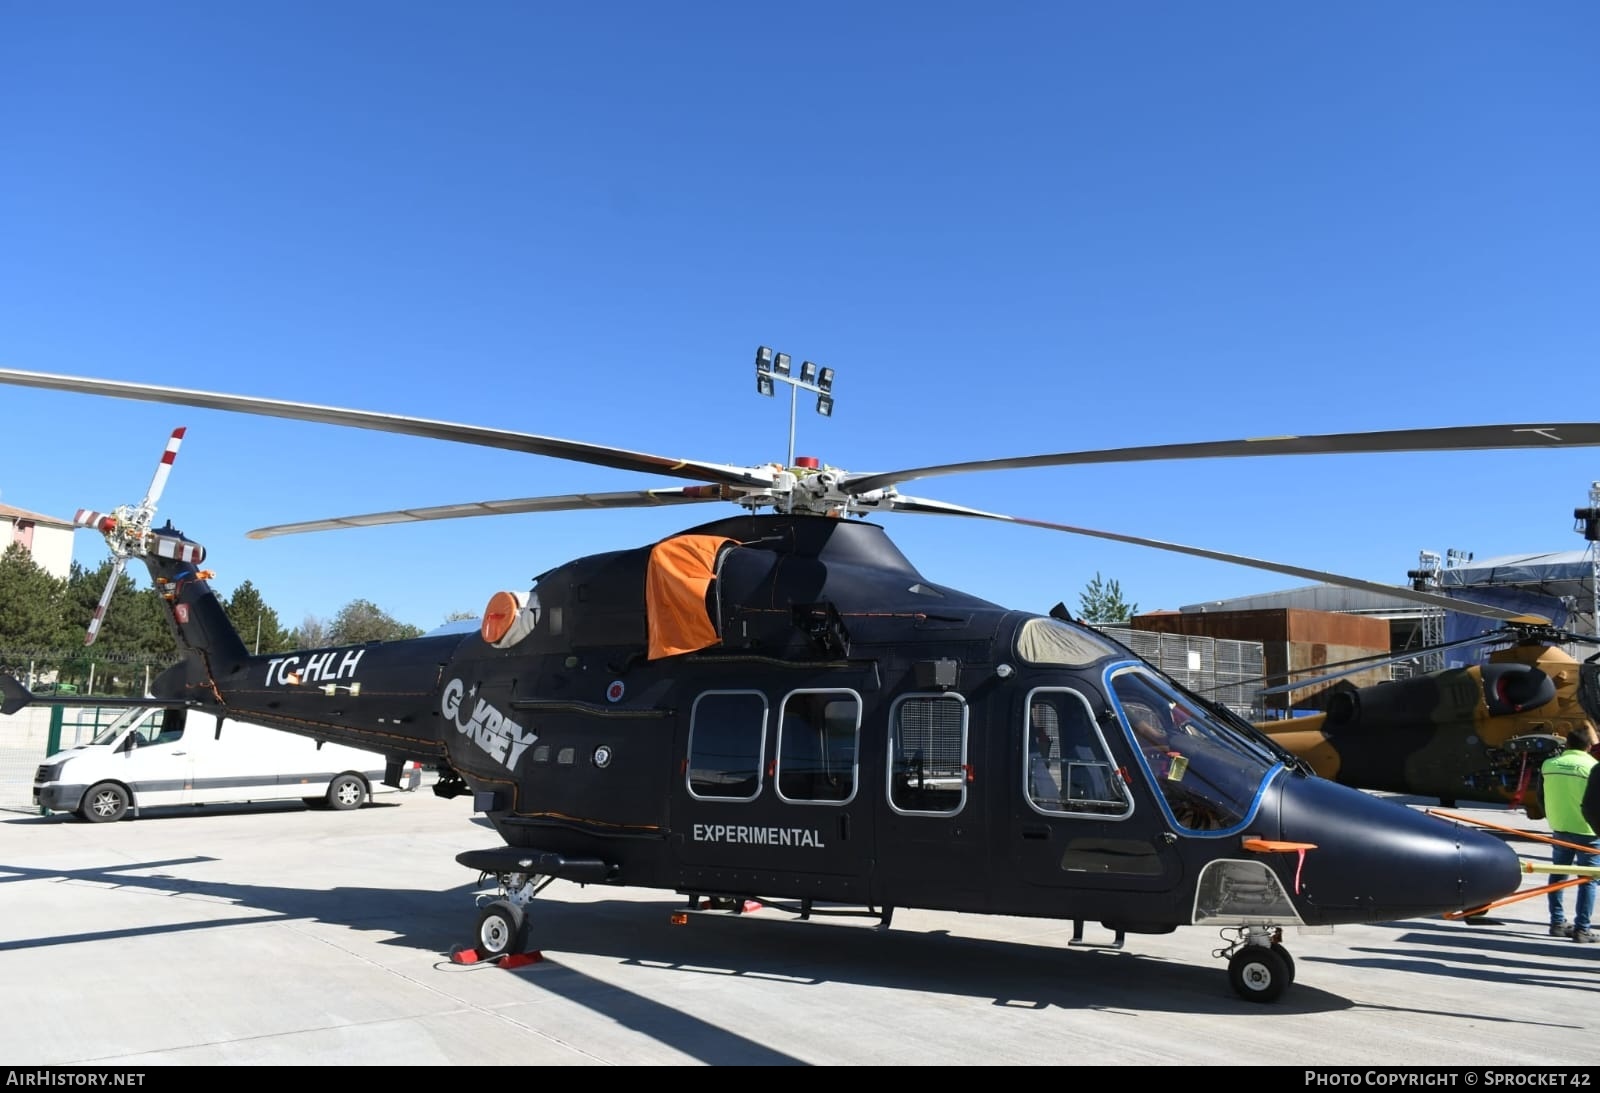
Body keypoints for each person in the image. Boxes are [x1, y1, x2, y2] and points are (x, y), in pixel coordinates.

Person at [1540, 727, 1599, 942]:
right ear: (1589, 746)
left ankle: (1556, 922)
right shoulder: (1592, 766)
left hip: (1560, 826)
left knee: (1557, 875)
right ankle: (1582, 928)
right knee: (1588, 880)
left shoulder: (1549, 765)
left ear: (1567, 744)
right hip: (1588, 830)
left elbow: (1540, 796)